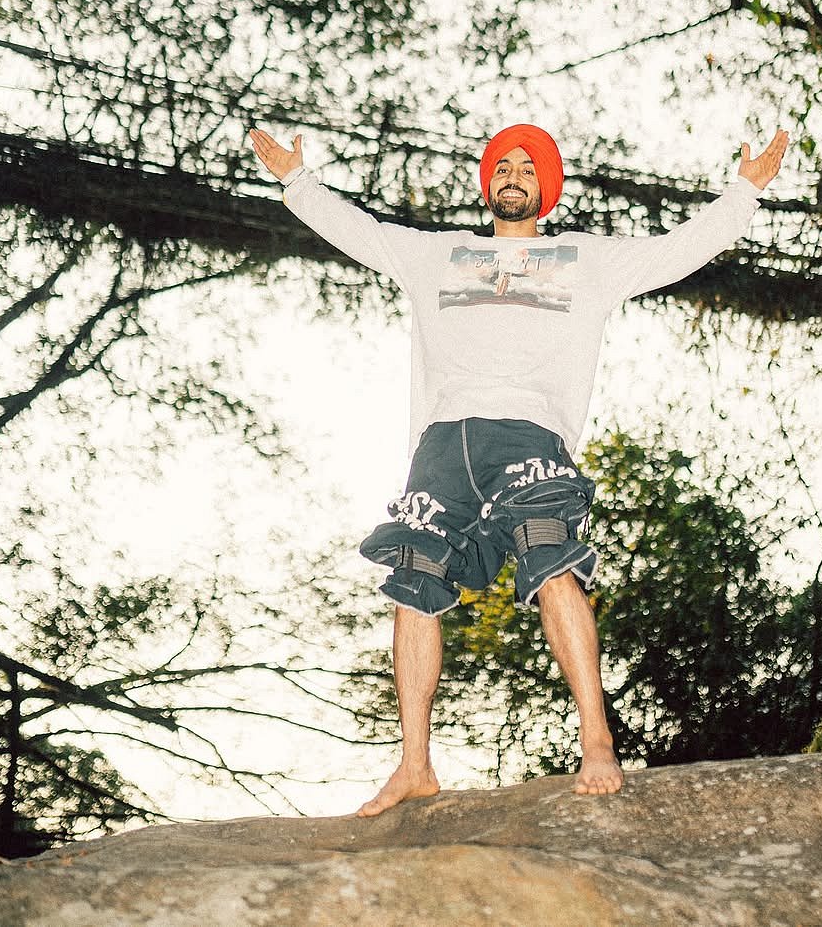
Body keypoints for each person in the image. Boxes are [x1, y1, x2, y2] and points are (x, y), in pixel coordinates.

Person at [249, 121, 788, 816]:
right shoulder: (437, 255)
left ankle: (596, 737)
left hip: (528, 434)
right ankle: (415, 764)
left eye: (527, 168)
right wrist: (297, 180)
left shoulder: (584, 261)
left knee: (550, 560)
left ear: (546, 190)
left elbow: (673, 252)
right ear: (488, 182)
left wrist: (743, 193)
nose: (512, 174)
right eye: (501, 165)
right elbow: (361, 232)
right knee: (412, 583)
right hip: (442, 444)